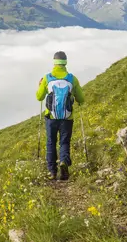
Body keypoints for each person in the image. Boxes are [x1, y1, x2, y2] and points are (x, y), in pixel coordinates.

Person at [36, 51, 85, 181]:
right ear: (65, 63)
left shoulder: (47, 78)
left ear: (54, 62)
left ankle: (52, 172)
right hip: (67, 118)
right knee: (64, 142)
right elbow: (81, 98)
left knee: (51, 142)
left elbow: (39, 97)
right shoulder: (72, 78)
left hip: (51, 117)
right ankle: (63, 163)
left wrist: (41, 85)